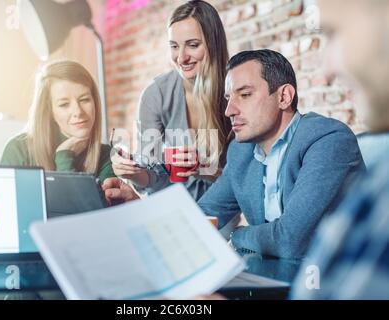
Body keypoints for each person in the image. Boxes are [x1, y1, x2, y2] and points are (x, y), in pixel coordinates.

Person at [197, 49, 365, 259]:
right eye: (229, 98)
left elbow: (290, 241)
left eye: (245, 95)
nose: (229, 110)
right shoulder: (241, 151)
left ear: (284, 97)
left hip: (341, 282)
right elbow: (201, 215)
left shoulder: (329, 140)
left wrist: (238, 235)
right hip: (275, 278)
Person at [290, 0, 389, 299]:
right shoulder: (381, 174)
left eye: (333, 33)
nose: (327, 69)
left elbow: (289, 238)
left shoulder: (328, 139)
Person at [111, 0, 232, 201]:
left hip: (225, 209)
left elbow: (247, 177)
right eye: (174, 46)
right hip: (175, 205)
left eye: (193, 45)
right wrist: (134, 173)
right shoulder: (156, 95)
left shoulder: (235, 90)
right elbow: (151, 180)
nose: (181, 58)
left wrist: (205, 169)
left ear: (214, 43)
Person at [0, 60, 115, 183]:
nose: (78, 112)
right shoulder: (18, 149)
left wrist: (64, 157)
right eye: (64, 104)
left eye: (84, 99)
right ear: (49, 111)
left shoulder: (107, 156)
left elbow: (82, 203)